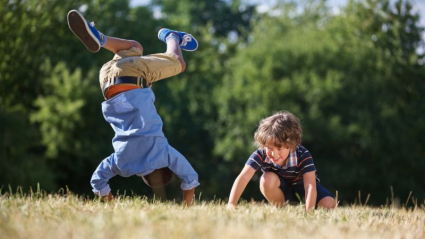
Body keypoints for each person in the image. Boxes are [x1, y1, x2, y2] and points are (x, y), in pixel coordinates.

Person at [67, 9, 200, 205]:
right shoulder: (122, 163)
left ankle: (172, 37)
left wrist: (187, 208)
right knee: (134, 47)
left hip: (132, 75)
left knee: (178, 63)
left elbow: (190, 179)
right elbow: (97, 182)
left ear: (165, 166)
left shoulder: (163, 153)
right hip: (106, 80)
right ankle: (101, 39)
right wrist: (112, 205)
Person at [227, 111, 336, 211]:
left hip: (303, 188)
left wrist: (309, 212)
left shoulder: (303, 154)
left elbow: (310, 186)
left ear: (291, 145)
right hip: (281, 191)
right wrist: (231, 204)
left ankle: (307, 206)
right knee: (266, 179)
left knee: (329, 203)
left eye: (279, 148)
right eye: (269, 147)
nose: (274, 154)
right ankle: (282, 207)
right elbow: (243, 177)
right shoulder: (260, 154)